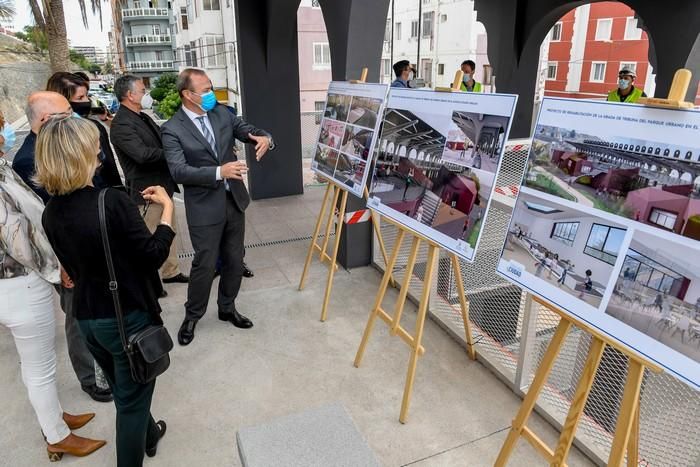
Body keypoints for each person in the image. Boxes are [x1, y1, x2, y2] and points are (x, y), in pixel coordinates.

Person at [38, 116, 172, 467]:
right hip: (125, 318)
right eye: (93, 147)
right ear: (80, 156)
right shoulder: (110, 201)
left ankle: (150, 433)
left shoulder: (50, 212)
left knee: (125, 389)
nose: (100, 151)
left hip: (87, 320)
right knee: (130, 402)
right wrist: (168, 212)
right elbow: (153, 256)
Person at [0, 155, 106, 461]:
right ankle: (57, 435)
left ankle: (55, 417)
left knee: (37, 364)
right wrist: (56, 269)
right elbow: (17, 238)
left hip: (21, 284)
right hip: (21, 284)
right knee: (40, 369)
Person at [12, 91, 113, 403]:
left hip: (86, 246)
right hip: (69, 256)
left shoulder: (55, 145)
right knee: (78, 316)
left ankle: (104, 369)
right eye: (67, 111)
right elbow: (40, 222)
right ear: (45, 120)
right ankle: (90, 378)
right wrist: (60, 264)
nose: (74, 115)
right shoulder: (29, 159)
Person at [162, 68, 274, 346]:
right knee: (205, 264)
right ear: (187, 95)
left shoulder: (221, 114)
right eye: (205, 90)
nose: (211, 94)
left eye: (211, 87)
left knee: (235, 260)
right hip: (203, 207)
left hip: (233, 201)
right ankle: (192, 316)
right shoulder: (172, 129)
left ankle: (227, 307)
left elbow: (247, 130)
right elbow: (178, 171)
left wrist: (265, 138)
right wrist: (218, 172)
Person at [110, 75, 189, 286]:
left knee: (168, 229)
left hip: (163, 185)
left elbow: (162, 137)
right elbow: (142, 154)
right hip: (147, 190)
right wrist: (172, 152)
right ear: (129, 95)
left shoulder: (142, 117)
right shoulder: (121, 124)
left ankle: (170, 272)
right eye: (142, 91)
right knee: (152, 235)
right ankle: (151, 281)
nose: (146, 94)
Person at [45, 72, 122, 188]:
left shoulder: (93, 125)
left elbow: (109, 166)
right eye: (80, 98)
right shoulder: (53, 137)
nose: (87, 101)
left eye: (87, 95)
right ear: (62, 99)